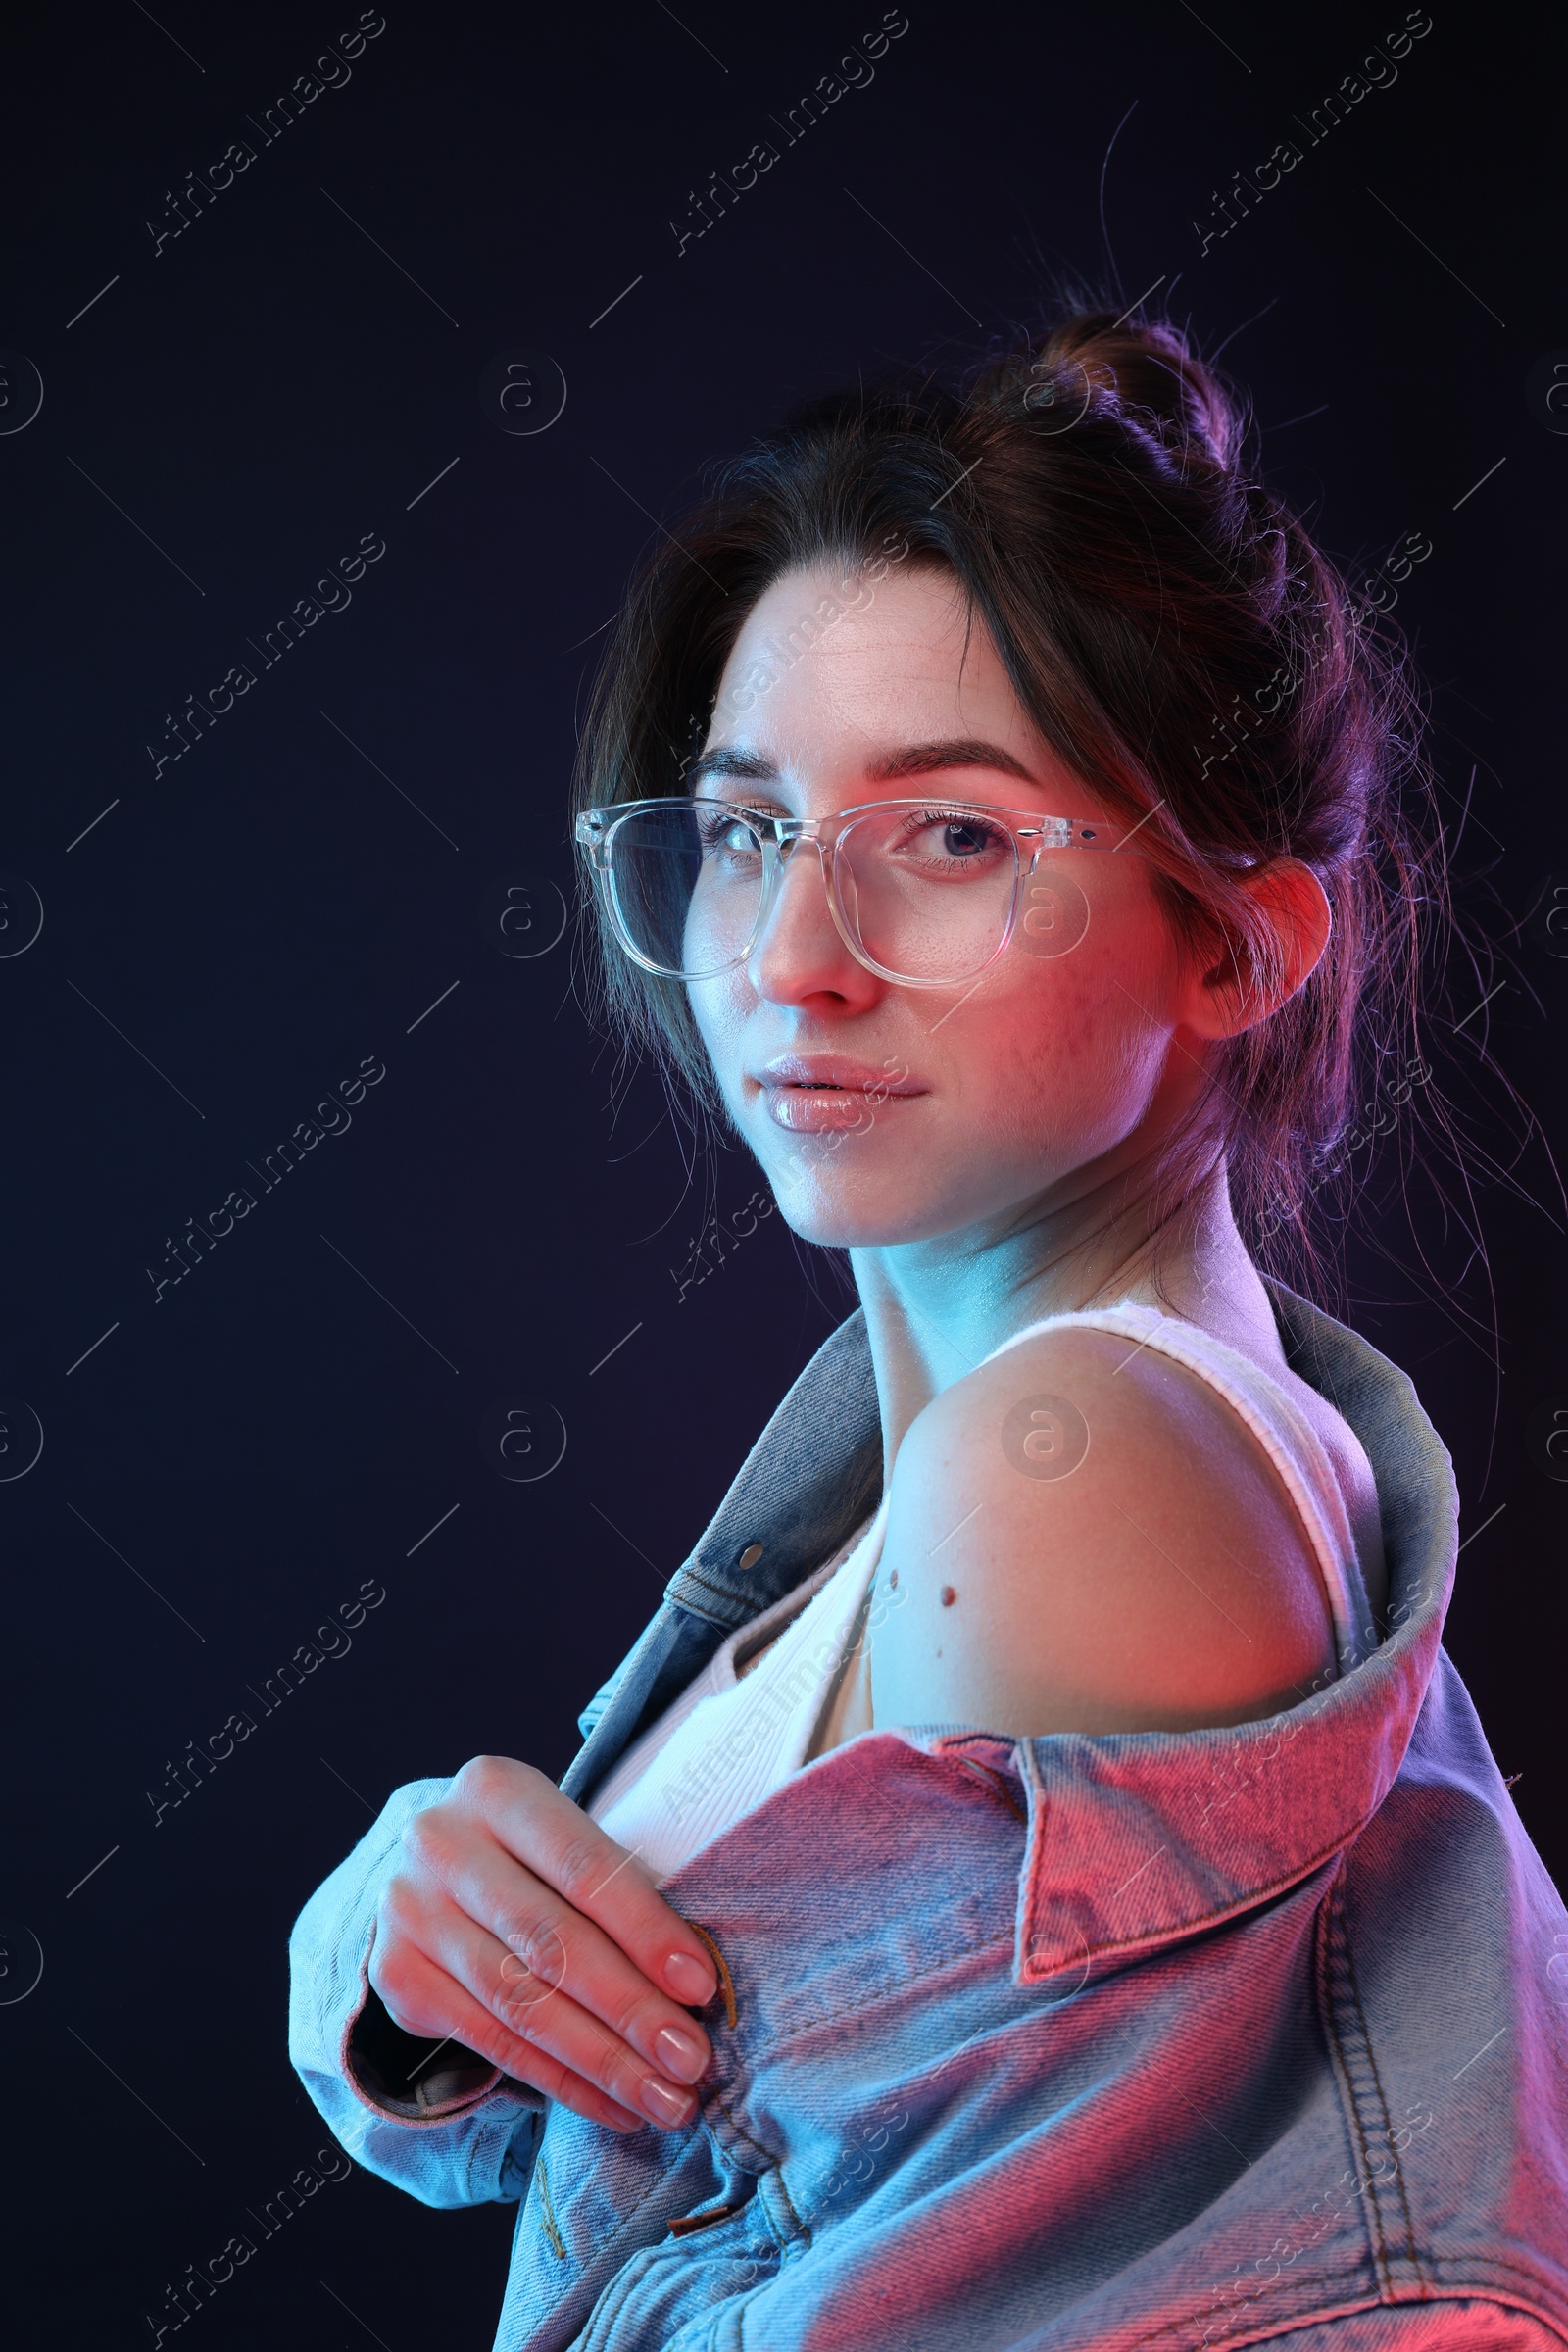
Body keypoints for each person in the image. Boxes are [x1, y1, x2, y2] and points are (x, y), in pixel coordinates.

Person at [290, 309, 1568, 2347]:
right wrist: (388, 1941)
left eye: (950, 837)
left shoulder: (1065, 1463)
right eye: (745, 831)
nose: (793, 959)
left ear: (1240, 937)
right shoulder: (939, 1466)